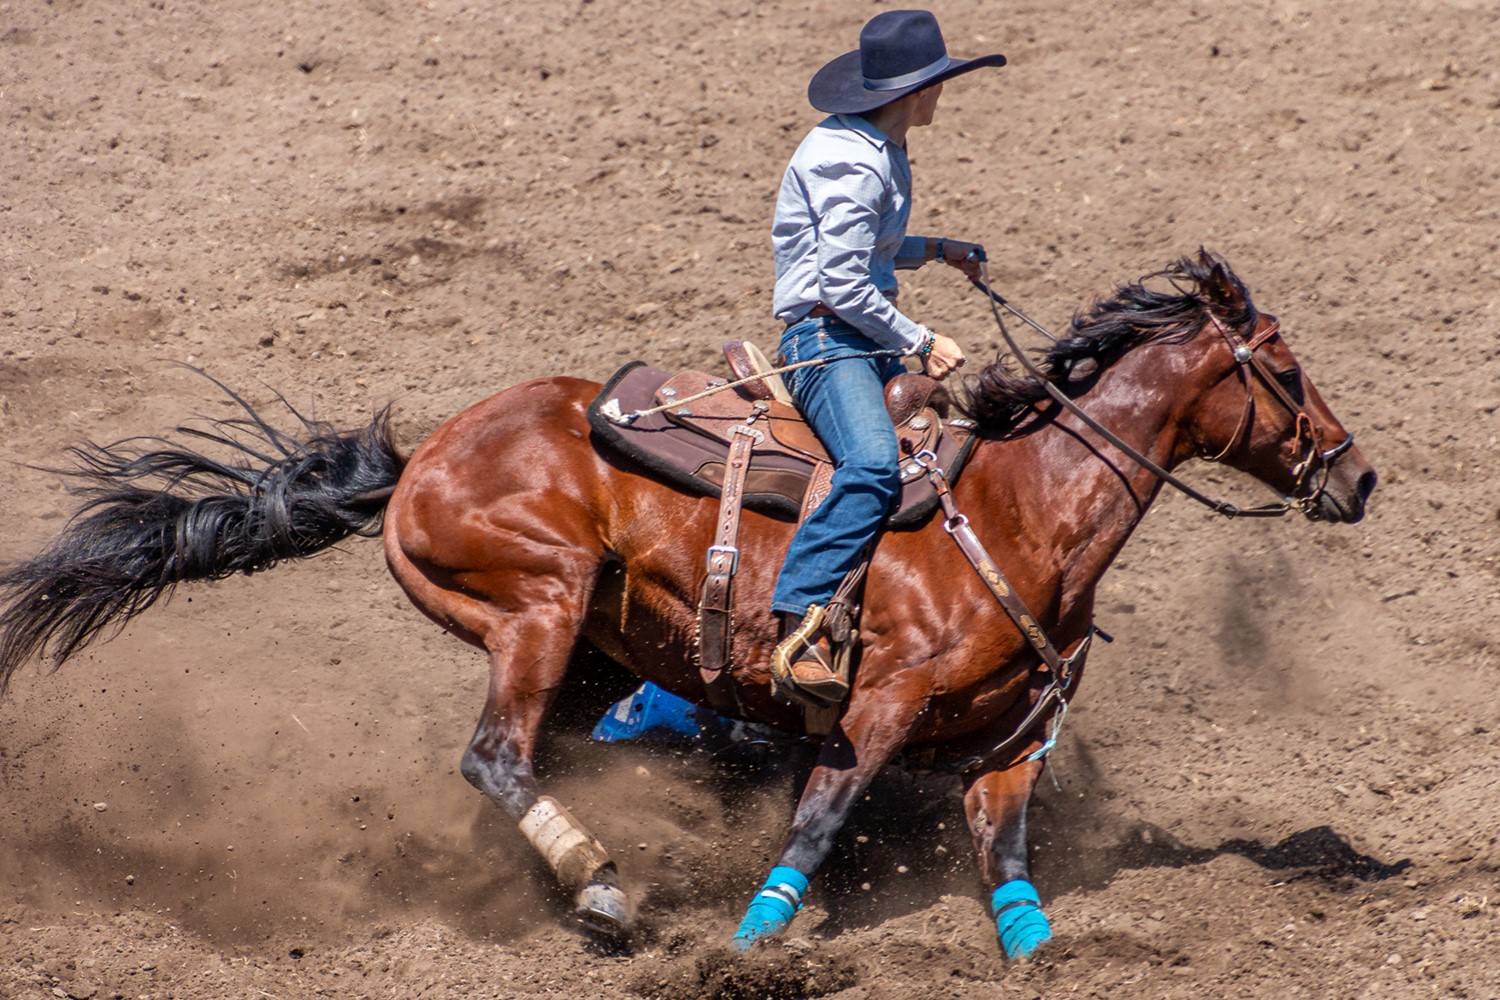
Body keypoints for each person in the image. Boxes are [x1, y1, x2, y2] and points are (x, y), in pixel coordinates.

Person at [768, 9, 1006, 705]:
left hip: (857, 337)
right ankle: (799, 620)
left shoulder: (877, 146)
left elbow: (863, 246)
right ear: (916, 91)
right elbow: (840, 284)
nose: (941, 95)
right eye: (938, 83)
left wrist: (932, 249)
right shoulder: (856, 162)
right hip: (828, 342)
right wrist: (921, 341)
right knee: (873, 469)